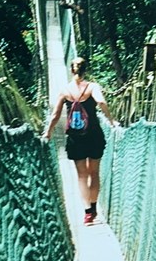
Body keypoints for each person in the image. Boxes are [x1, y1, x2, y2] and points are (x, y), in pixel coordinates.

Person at [43, 57, 116, 225]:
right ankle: (93, 205)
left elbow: (55, 115)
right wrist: (111, 121)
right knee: (94, 173)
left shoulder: (65, 90)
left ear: (71, 70)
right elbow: (102, 102)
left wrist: (48, 132)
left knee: (82, 175)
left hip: (76, 137)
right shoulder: (92, 87)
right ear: (86, 70)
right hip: (94, 134)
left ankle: (88, 212)